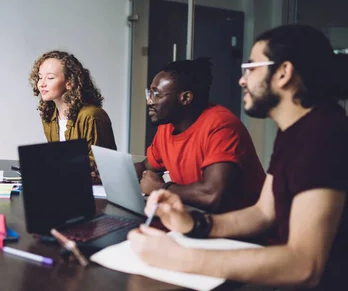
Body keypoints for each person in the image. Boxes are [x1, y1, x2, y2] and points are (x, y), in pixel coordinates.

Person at [128, 24, 348, 291]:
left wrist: (180, 258)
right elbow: (263, 213)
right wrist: (196, 224)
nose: (241, 80)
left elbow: (305, 266)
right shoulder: (293, 132)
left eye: (251, 68)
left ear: (283, 73)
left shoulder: (324, 134)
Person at [137, 58, 264, 213]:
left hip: (243, 230)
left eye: (156, 94)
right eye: (149, 93)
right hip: (199, 219)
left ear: (185, 98)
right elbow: (146, 166)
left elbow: (213, 196)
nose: (150, 101)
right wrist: (110, 175)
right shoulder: (167, 127)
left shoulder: (221, 126)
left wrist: (162, 188)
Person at [28, 50, 117, 181]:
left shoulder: (92, 116)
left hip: (94, 190)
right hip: (67, 185)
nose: (41, 84)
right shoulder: (49, 116)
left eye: (50, 78)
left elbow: (100, 165)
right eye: (40, 77)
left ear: (69, 82)